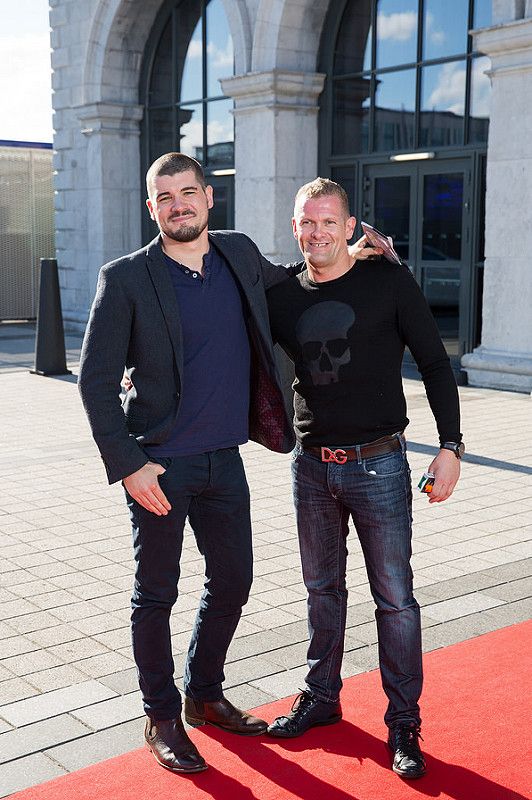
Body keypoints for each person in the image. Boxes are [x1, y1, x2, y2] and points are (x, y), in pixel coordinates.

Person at [78, 154, 374, 774]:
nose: (179, 205)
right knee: (154, 594)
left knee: (233, 582)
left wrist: (351, 257)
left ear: (209, 198)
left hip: (224, 460)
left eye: (189, 193)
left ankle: (203, 694)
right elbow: (96, 380)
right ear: (151, 207)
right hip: (158, 465)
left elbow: (294, 285)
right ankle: (160, 713)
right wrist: (129, 465)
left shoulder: (237, 254)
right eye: (165, 197)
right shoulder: (126, 278)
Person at [265, 178, 463, 780]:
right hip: (310, 467)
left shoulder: (388, 281)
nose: (317, 233)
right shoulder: (282, 296)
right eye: (306, 223)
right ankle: (321, 696)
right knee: (321, 590)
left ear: (351, 227)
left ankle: (404, 722)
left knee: (395, 599)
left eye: (328, 222)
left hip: (380, 464)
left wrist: (451, 446)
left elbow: (433, 361)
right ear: (295, 227)